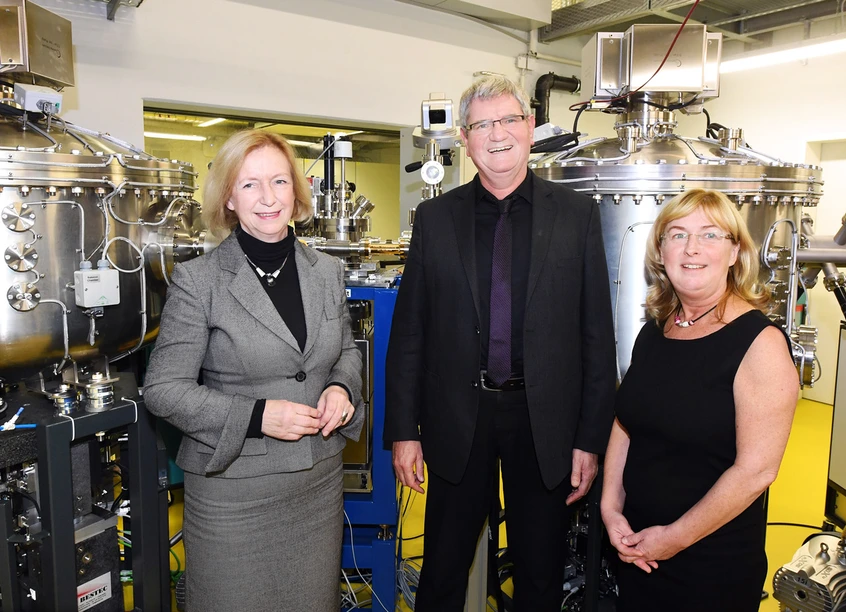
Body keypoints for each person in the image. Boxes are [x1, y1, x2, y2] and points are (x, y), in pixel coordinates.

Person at [384, 75, 616, 612]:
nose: (498, 134)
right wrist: (403, 431)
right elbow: (411, 329)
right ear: (464, 138)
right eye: (483, 124)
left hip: (545, 422)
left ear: (530, 128)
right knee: (442, 569)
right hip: (458, 416)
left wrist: (590, 439)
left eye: (509, 120)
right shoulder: (435, 218)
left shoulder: (576, 216)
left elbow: (595, 337)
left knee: (539, 576)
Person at [143, 130, 364, 612]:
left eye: (279, 181)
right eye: (249, 185)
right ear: (227, 197)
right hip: (235, 492)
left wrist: (341, 388)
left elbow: (346, 350)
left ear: (296, 191)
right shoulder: (199, 280)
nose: (268, 198)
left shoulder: (325, 270)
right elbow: (162, 389)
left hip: (318, 483)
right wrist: (256, 415)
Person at [601, 189, 799, 611]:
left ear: (734, 253)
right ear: (661, 251)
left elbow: (756, 471)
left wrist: (672, 540)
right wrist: (610, 506)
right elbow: (627, 422)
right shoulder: (657, 330)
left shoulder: (759, 343)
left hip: (708, 563)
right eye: (677, 235)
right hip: (637, 546)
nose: (691, 248)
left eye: (710, 235)